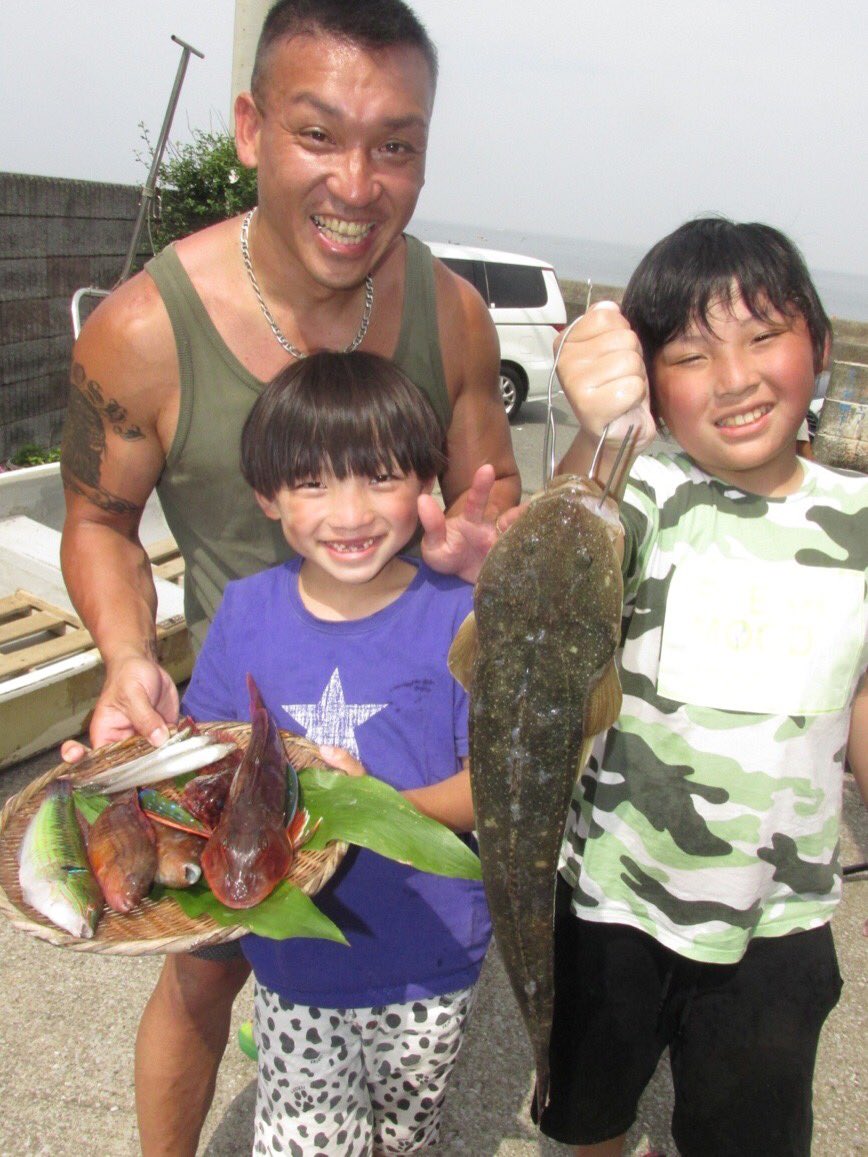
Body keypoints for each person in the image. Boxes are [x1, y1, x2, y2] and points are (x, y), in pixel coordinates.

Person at [59, 2, 518, 1151]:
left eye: (396, 145)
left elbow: (491, 511)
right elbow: (97, 518)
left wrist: (490, 548)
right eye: (320, 135)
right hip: (232, 722)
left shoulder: (451, 313)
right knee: (202, 982)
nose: (358, 184)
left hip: (400, 731)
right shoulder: (139, 331)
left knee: (390, 978)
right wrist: (126, 660)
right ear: (252, 126)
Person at [539, 217, 867, 1156]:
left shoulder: (860, 521)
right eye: (689, 353)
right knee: (589, 1117)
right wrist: (600, 432)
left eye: (764, 337)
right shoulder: (643, 491)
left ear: (821, 343)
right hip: (611, 901)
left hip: (778, 919)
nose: (735, 378)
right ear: (652, 380)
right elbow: (558, 564)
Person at [182, 349, 490, 1155]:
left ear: (427, 483)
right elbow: (207, 761)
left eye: (382, 477)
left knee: (406, 1132)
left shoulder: (461, 616)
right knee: (307, 1139)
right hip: (297, 960)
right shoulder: (246, 611)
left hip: (434, 955)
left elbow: (493, 787)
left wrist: (373, 808)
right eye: (313, 482)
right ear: (268, 493)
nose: (349, 512)